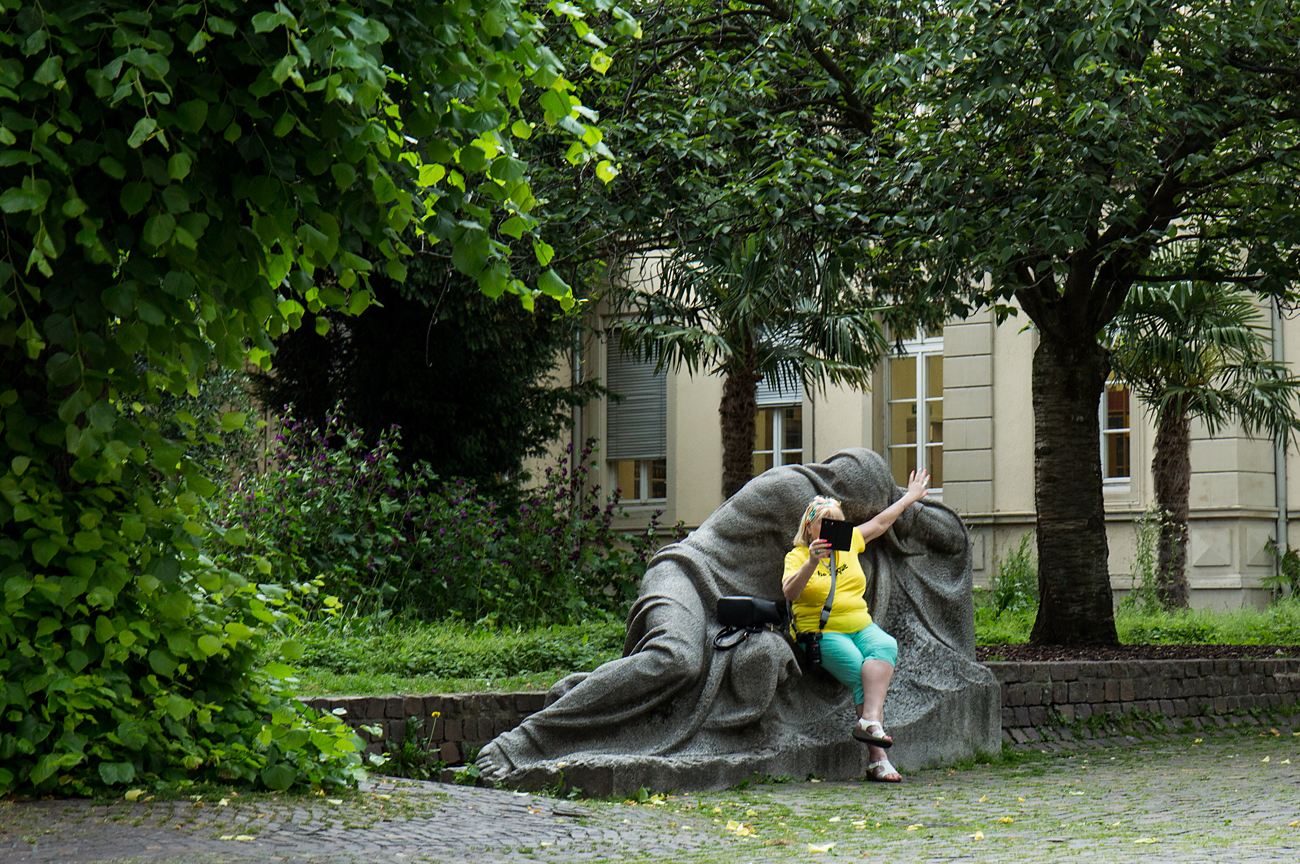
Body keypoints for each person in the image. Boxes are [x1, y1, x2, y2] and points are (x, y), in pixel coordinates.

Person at [781, 469, 930, 783]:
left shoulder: (848, 542)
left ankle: (870, 721)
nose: (831, 527)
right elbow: (789, 593)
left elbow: (880, 523)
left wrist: (910, 497)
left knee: (886, 645)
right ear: (809, 527)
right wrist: (811, 562)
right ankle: (879, 759)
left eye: (836, 521)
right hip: (821, 632)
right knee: (862, 671)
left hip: (861, 624)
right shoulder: (797, 556)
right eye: (824, 522)